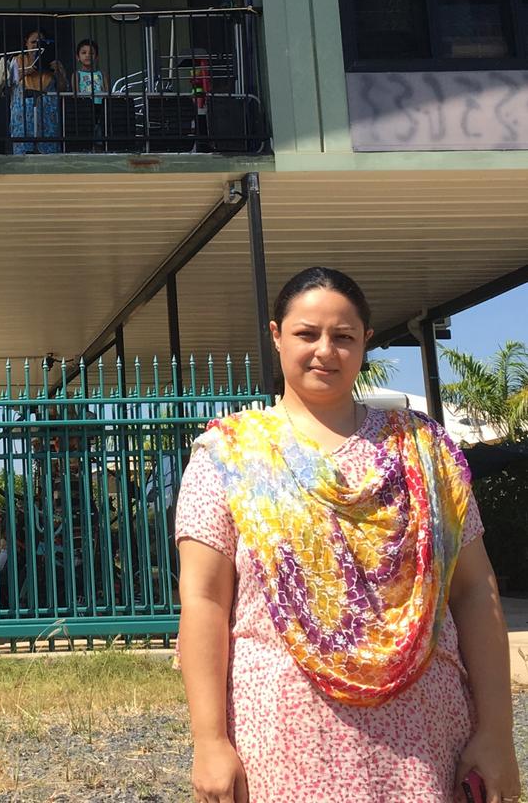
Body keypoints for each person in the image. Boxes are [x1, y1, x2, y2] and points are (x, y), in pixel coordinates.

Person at [176, 266, 521, 803]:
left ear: (365, 342)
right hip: (285, 733)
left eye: (343, 336)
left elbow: (476, 592)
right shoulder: (228, 455)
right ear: (276, 336)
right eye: (306, 334)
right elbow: (202, 600)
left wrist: (498, 735)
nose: (325, 351)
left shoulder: (423, 451)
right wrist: (209, 740)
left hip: (425, 731)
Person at [10, 29, 67, 153]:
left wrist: (59, 72)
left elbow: (62, 89)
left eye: (40, 42)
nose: (36, 45)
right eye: (33, 42)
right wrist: (26, 71)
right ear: (26, 43)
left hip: (47, 116)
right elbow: (7, 84)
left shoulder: (54, 63)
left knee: (48, 154)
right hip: (23, 117)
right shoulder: (18, 60)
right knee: (23, 153)